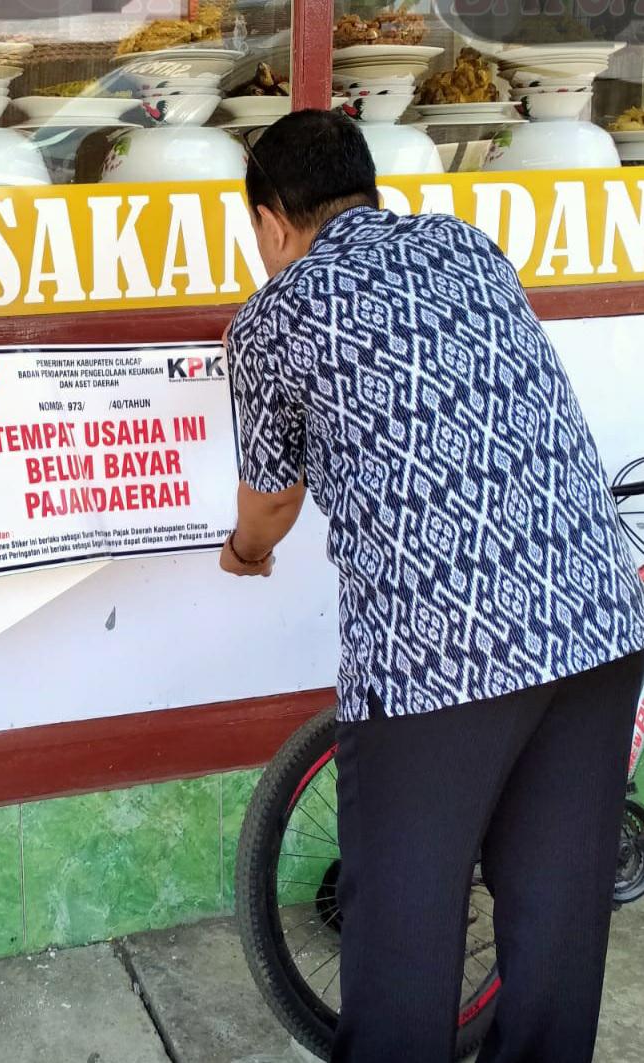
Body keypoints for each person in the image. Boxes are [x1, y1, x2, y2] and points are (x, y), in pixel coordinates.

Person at [219, 109, 644, 1063]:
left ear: (271, 221)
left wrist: (243, 551)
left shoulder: (274, 313)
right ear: (368, 190)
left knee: (403, 922)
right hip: (594, 617)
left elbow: (270, 504)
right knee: (555, 911)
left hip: (438, 652)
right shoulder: (465, 246)